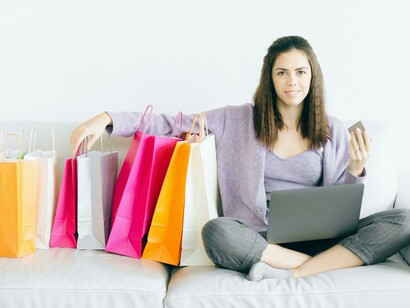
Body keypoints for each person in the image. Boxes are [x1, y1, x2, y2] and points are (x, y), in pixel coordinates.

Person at [71, 36, 410, 281]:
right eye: (282, 73)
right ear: (270, 78)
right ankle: (324, 264)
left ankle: (296, 271)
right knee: (216, 232)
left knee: (403, 220)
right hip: (260, 238)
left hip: (322, 237)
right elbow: (168, 124)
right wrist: (107, 118)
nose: (292, 81)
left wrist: (355, 170)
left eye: (300, 72)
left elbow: (339, 210)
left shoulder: (333, 130)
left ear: (312, 77)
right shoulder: (235, 119)